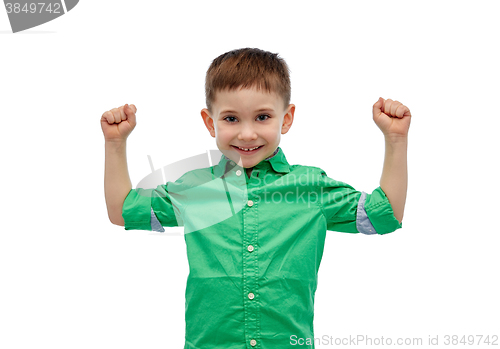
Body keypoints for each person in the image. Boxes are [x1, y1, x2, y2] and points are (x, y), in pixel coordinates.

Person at [101, 48, 411, 349]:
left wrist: (395, 139)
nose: (247, 134)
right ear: (211, 123)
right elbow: (123, 211)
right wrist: (115, 143)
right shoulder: (194, 189)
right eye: (231, 119)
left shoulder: (310, 186)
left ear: (286, 119)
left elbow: (385, 215)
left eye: (262, 117)